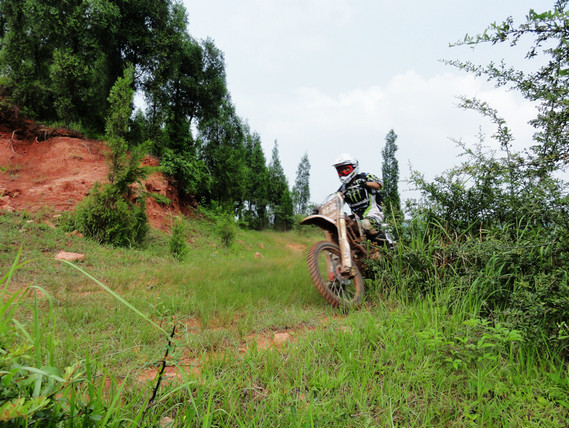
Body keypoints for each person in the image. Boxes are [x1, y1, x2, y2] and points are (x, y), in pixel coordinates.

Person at [332, 153, 394, 247]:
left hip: (374, 213)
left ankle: (387, 243)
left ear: (354, 167)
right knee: (344, 229)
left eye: (346, 169)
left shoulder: (365, 177)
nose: (344, 172)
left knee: (366, 224)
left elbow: (379, 185)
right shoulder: (343, 188)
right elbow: (335, 202)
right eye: (341, 171)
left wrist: (365, 184)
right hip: (356, 218)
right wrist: (321, 209)